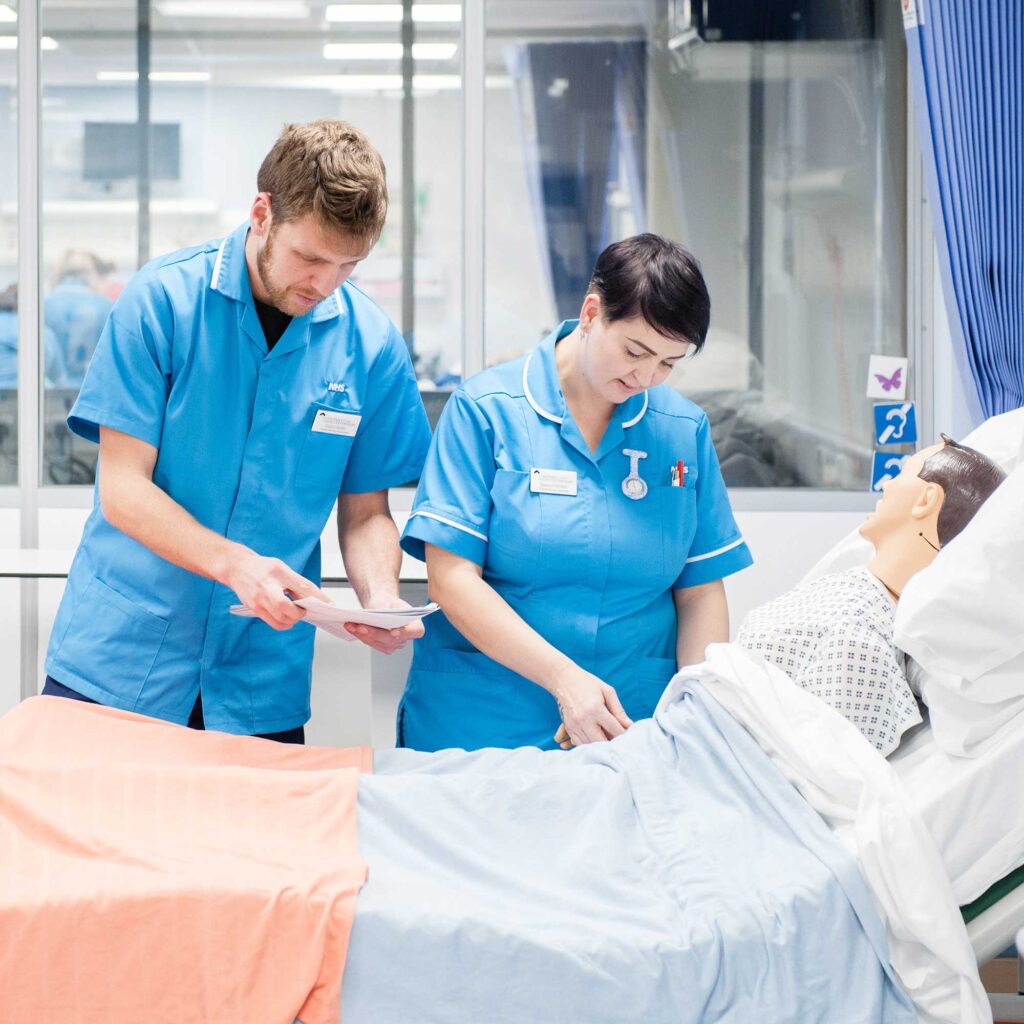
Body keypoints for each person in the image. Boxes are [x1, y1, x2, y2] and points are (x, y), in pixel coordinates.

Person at [42, 119, 432, 743]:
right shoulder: (161, 302)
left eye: (347, 266)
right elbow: (122, 488)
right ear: (262, 214)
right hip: (119, 659)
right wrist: (236, 566)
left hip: (257, 678)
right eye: (310, 258)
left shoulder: (372, 344)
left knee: (247, 842)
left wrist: (381, 593)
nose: (324, 285)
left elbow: (365, 514)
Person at [398, 234, 753, 752]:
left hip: (631, 728)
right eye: (635, 351)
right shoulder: (487, 410)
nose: (646, 376)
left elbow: (698, 590)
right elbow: (452, 579)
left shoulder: (681, 429)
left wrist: (699, 710)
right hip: (486, 723)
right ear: (591, 312)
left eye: (668, 363)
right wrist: (565, 680)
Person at [736, 435, 1007, 755]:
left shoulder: (858, 639)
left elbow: (830, 770)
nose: (888, 485)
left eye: (904, 473)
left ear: (926, 500)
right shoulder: (853, 597)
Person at [44, 250, 116, 387]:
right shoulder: (107, 307)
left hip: (49, 398)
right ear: (92, 275)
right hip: (92, 394)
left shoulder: (41, 308)